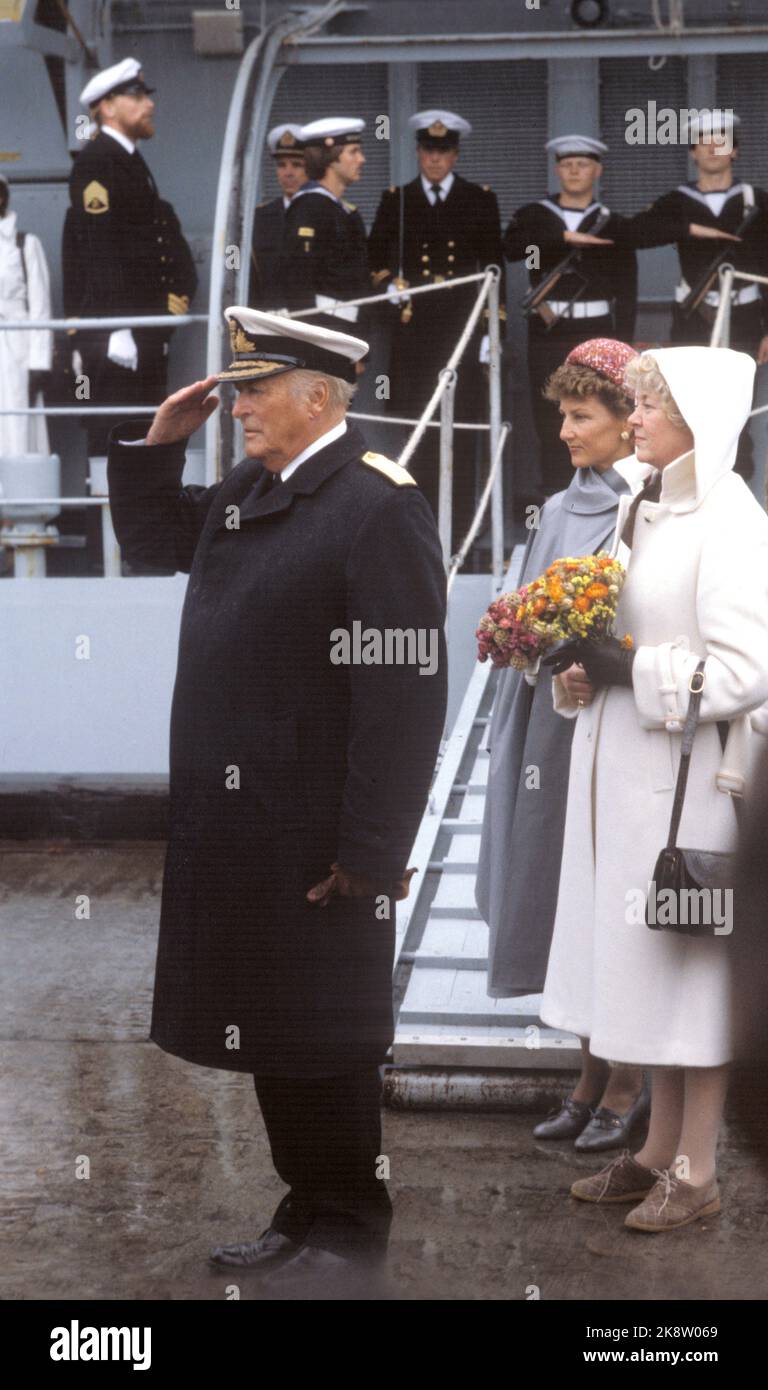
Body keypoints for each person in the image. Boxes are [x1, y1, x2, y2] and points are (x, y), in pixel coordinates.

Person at [106, 307, 448, 1294]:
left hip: (321, 842)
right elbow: (157, 536)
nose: (238, 404)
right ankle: (304, 1210)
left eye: (255, 390)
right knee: (272, 1027)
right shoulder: (250, 490)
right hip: (241, 832)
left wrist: (375, 847)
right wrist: (155, 450)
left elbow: (403, 692)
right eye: (238, 387)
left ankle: (349, 1227)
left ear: (318, 397)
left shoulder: (377, 507)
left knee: (330, 1036)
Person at [540, 345, 768, 1231]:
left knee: (694, 983)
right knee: (650, 977)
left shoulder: (734, 521)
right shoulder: (647, 509)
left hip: (689, 793)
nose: (632, 418)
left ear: (698, 425)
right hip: (629, 785)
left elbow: (749, 671)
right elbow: (620, 641)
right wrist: (579, 673)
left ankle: (698, 1170)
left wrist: (633, 668)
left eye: (649, 406)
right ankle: (651, 1152)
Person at [476, 339, 650, 1152]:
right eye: (563, 416)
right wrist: (519, 638)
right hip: (549, 724)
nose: (569, 432)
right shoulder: (553, 509)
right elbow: (530, 619)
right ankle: (588, 1073)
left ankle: (628, 1082)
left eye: (584, 417)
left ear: (627, 422)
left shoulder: (647, 505)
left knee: (610, 896)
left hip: (623, 721)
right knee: (558, 897)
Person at [368, 110, 504, 548]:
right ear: (418, 151)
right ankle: (419, 529)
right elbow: (375, 258)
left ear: (455, 154)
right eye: (428, 150)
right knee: (418, 429)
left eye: (443, 151)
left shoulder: (480, 200)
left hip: (461, 334)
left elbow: (494, 269)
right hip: (415, 333)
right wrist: (388, 284)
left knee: (461, 431)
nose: (435, 159)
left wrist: (490, 334)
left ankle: (462, 529)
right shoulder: (398, 199)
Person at [615, 112, 768, 478]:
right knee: (690, 413)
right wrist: (689, 229)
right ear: (693, 152)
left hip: (746, 318)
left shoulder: (758, 202)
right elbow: (632, 233)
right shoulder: (677, 201)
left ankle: (735, 503)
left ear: (735, 151)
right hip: (693, 318)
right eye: (705, 141)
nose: (714, 148)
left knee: (736, 416)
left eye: (722, 140)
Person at [62, 58, 198, 461]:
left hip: (142, 333)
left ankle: (127, 525)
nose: (148, 104)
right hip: (116, 339)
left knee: (142, 438)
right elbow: (99, 248)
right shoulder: (97, 162)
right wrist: (117, 326)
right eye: (136, 96)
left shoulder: (130, 160)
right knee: (114, 440)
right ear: (106, 107)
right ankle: (105, 524)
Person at [503, 136, 638, 497]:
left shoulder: (612, 223)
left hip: (597, 333)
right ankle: (556, 500)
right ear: (557, 169)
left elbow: (627, 289)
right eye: (567, 164)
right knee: (553, 420)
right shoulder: (535, 216)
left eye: (583, 164)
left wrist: (623, 344)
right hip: (550, 333)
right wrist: (563, 236)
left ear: (597, 170)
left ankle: (606, 500)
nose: (575, 170)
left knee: (600, 419)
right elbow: (513, 247)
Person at [274, 117, 369, 330]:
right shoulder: (309, 208)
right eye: (353, 152)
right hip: (321, 336)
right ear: (331, 158)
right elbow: (298, 284)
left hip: (344, 335)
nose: (361, 159)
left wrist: (360, 348)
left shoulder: (344, 212)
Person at [0, 174, 52, 457]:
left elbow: (41, 308)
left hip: (18, 352)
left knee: (18, 425)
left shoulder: (25, 244)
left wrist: (39, 364)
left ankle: (22, 500)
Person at [249, 124, 306, 310]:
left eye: (297, 165)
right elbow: (247, 276)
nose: (288, 173)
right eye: (282, 165)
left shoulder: (325, 213)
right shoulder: (259, 217)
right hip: (268, 323)